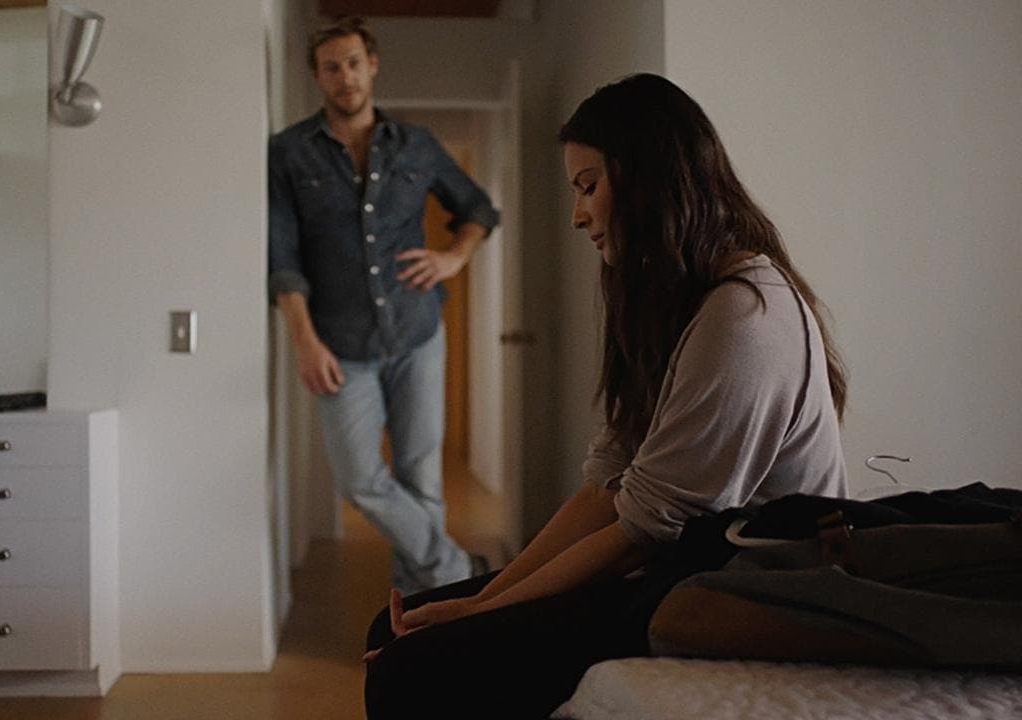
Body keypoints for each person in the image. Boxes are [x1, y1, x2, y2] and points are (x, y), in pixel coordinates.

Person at [362, 72, 850, 719]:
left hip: (756, 589)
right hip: (689, 563)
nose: (577, 214)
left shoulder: (744, 316)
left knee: (412, 668)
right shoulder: (683, 304)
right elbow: (606, 489)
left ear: (650, 179)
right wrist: (480, 601)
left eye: (589, 186)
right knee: (396, 629)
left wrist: (483, 612)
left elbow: (642, 530)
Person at [268, 16, 499, 595]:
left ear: (371, 65)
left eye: (353, 63)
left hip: (417, 331)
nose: (344, 76)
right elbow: (282, 255)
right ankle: (456, 575)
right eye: (331, 67)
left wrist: (454, 257)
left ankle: (421, 615)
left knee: (422, 479)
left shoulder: (416, 144)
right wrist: (303, 340)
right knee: (359, 479)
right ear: (317, 76)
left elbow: (477, 207)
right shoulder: (288, 153)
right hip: (339, 344)